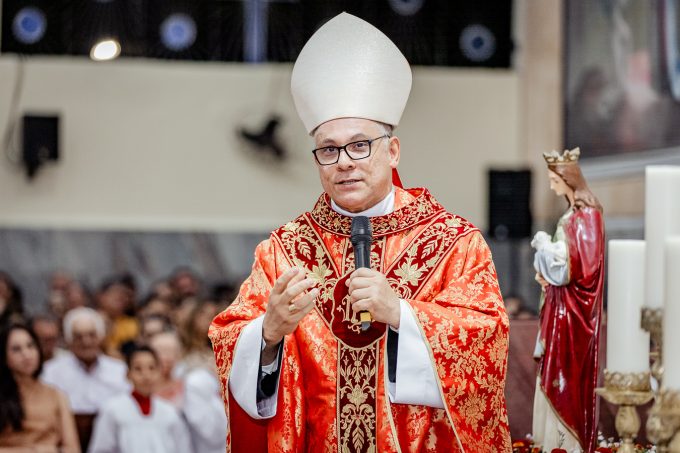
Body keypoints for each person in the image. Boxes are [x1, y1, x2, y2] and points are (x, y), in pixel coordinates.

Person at [209, 12, 511, 452]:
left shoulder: (454, 243)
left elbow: (488, 343)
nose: (344, 162)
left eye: (359, 145)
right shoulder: (284, 251)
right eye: (328, 150)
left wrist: (403, 315)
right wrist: (268, 334)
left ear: (393, 150)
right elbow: (229, 337)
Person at [531, 148, 605, 453]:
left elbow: (580, 269)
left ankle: (568, 442)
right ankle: (552, 442)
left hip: (574, 314)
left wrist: (545, 250)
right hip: (560, 306)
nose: (552, 187)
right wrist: (546, 270)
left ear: (568, 178)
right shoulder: (573, 214)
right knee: (553, 370)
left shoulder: (588, 216)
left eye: (554, 180)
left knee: (567, 376)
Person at [41, 307, 130, 450]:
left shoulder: (120, 371)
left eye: (92, 335)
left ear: (101, 337)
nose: (86, 342)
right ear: (68, 340)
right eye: (78, 336)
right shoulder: (50, 372)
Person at [87, 345, 192, 453]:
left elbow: (182, 448)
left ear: (159, 372)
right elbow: (102, 448)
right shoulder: (112, 410)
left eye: (151, 368)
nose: (146, 375)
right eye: (138, 369)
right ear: (128, 374)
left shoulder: (170, 412)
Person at [0, 323, 80, 452]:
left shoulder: (56, 395)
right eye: (16, 349)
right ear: (4, 356)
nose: (26, 354)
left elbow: (73, 449)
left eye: (30, 346)